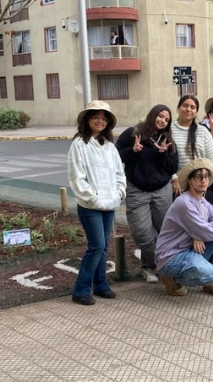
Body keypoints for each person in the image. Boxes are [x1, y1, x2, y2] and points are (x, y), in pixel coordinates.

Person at [67, 101, 126, 306]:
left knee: (103, 247)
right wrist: (92, 197)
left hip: (109, 204)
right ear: (87, 119)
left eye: (104, 117)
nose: (100, 121)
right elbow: (76, 177)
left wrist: (119, 192)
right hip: (90, 206)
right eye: (96, 116)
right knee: (96, 245)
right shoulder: (79, 145)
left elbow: (120, 172)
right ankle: (81, 289)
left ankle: (100, 284)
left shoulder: (109, 146)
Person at [116, 104, 179, 283]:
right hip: (137, 190)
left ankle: (149, 266)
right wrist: (133, 151)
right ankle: (167, 262)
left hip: (162, 191)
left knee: (165, 230)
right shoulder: (132, 133)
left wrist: (163, 154)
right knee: (142, 233)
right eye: (160, 116)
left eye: (166, 119)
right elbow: (115, 156)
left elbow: (173, 167)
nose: (162, 121)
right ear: (152, 115)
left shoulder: (167, 140)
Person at [155, 159, 213, 298]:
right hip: (172, 256)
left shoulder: (201, 200)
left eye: (206, 176)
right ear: (190, 180)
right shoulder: (185, 202)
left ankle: (210, 283)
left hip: (188, 250)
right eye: (199, 177)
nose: (204, 180)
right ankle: (172, 278)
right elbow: (208, 230)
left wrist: (199, 233)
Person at [170, 95, 213, 196]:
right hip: (174, 187)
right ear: (178, 108)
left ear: (196, 112)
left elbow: (212, 163)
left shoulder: (203, 132)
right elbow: (162, 159)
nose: (188, 109)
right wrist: (174, 179)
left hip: (198, 188)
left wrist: (202, 184)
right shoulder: (168, 130)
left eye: (192, 107)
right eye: (185, 105)